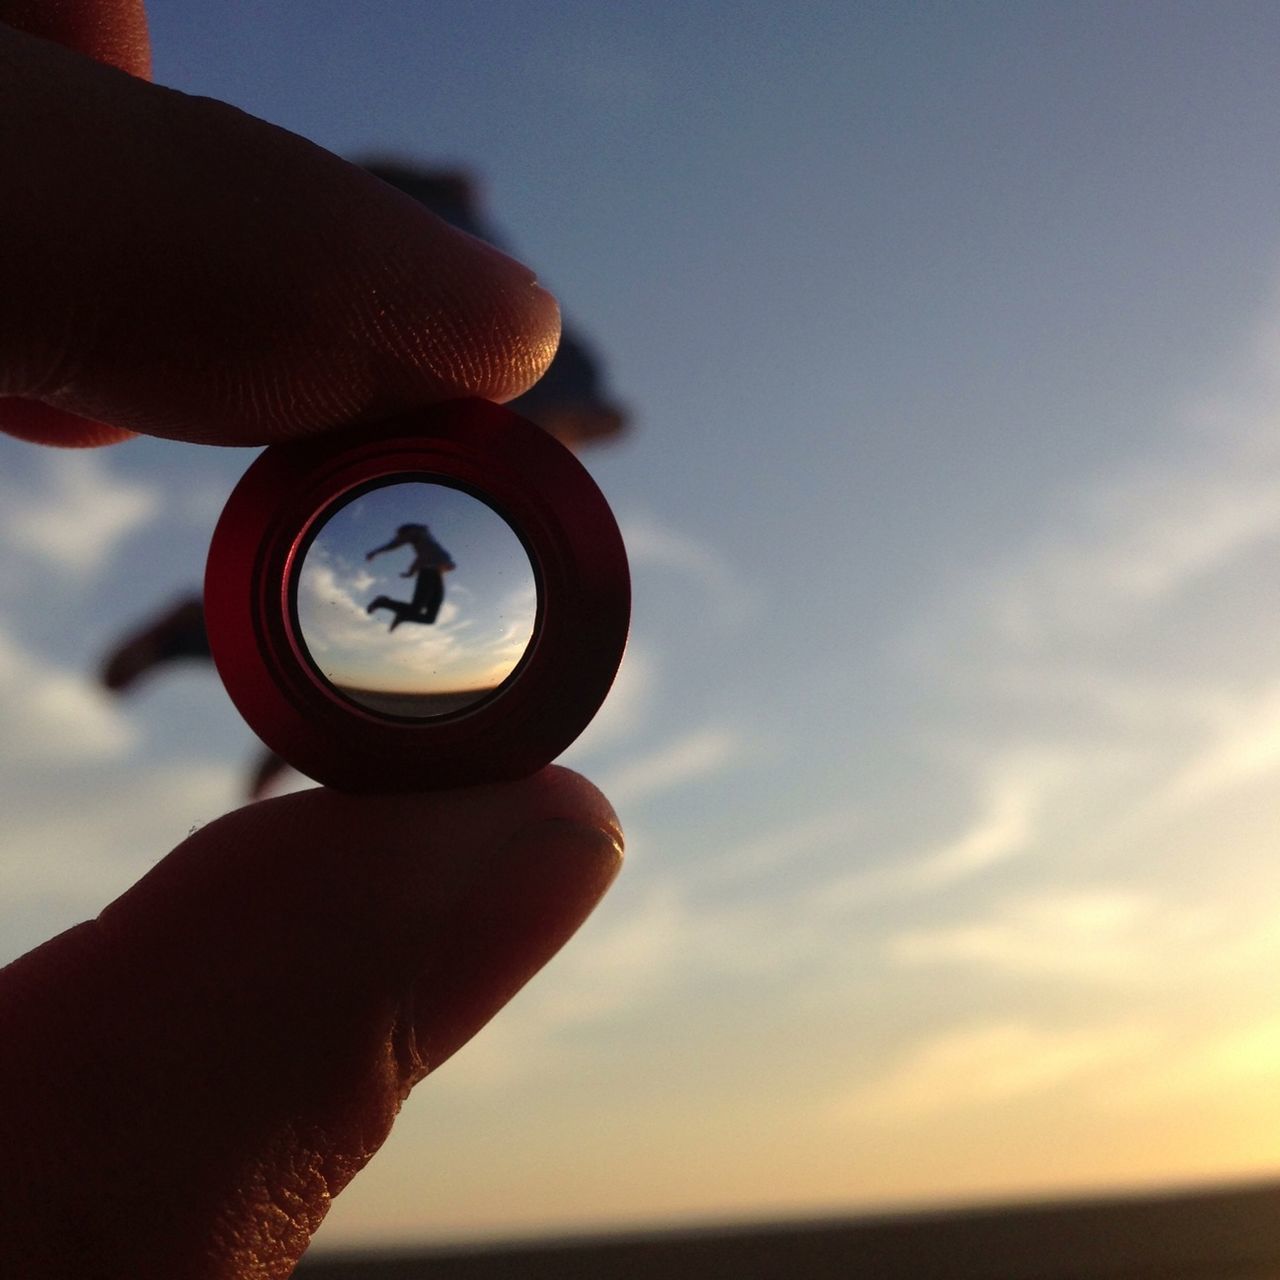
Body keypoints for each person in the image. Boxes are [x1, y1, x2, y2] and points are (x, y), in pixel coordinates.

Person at [0, 6, 623, 1277]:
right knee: (348, 564)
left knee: (364, 570)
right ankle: (260, 677)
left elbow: (410, 551)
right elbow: (383, 556)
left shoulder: (473, 401)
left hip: (422, 391)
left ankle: (270, 689)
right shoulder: (470, 391)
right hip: (410, 398)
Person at [366, 522, 456, 630]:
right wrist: (376, 552)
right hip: (429, 573)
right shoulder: (419, 536)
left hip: (438, 575)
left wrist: (411, 572)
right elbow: (394, 545)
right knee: (416, 609)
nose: (399, 538)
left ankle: (402, 616)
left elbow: (420, 557)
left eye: (399, 535)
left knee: (430, 619)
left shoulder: (419, 534)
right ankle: (383, 602)